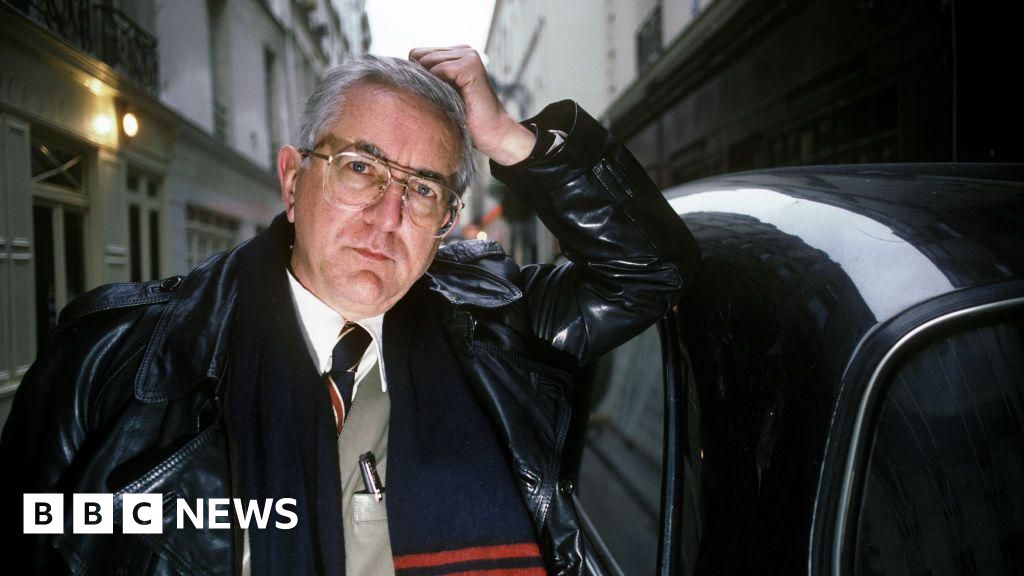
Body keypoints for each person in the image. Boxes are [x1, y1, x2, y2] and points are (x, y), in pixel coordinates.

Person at [0, 47, 698, 575]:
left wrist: (512, 140)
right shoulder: (114, 358)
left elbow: (651, 271)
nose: (387, 218)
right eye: (360, 168)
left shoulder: (497, 323)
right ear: (292, 181)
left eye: (423, 189)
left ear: (446, 221)